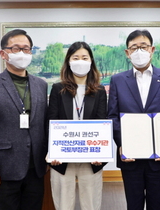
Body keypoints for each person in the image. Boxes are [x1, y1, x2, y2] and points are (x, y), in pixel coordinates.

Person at [0, 29, 48, 210]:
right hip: (5, 169)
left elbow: (44, 125)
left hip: (36, 169)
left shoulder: (41, 84)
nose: (22, 53)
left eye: (27, 49)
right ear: (3, 54)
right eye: (16, 49)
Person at [107, 29, 160, 210]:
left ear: (152, 49)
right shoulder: (117, 80)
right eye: (134, 47)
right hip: (130, 157)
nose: (139, 51)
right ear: (127, 53)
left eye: (143, 46)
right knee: (133, 204)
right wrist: (122, 143)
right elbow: (113, 116)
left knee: (157, 204)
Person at [48, 41, 107, 210]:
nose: (80, 61)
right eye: (75, 57)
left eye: (84, 57)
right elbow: (51, 121)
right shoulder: (57, 89)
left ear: (91, 61)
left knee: (91, 203)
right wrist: (53, 151)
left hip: (91, 159)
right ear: (68, 61)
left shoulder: (100, 91)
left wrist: (101, 153)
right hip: (62, 158)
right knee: (64, 204)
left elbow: (102, 122)